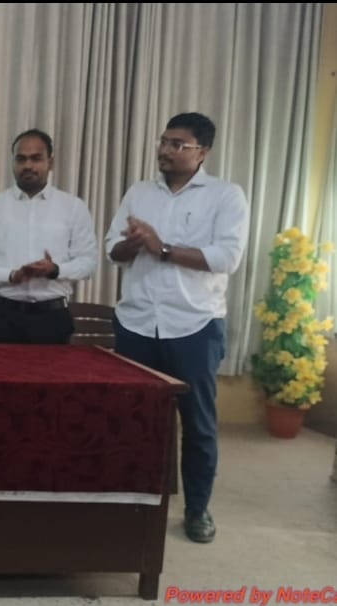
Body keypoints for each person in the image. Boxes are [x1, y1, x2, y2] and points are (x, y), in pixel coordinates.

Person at [105, 112, 250, 544]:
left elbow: (226, 258)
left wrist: (162, 248)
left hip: (194, 326)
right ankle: (129, 505)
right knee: (130, 421)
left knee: (198, 424)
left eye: (177, 144)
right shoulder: (139, 192)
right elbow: (113, 251)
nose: (165, 150)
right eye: (163, 141)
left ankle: (197, 510)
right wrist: (133, 243)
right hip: (137, 322)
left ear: (202, 152)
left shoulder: (226, 196)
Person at [0, 129, 97, 344]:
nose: (28, 165)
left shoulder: (73, 208)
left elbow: (88, 263)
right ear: (13, 162)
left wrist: (55, 270)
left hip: (51, 320)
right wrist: (10, 275)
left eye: (36, 158)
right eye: (21, 159)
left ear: (50, 162)